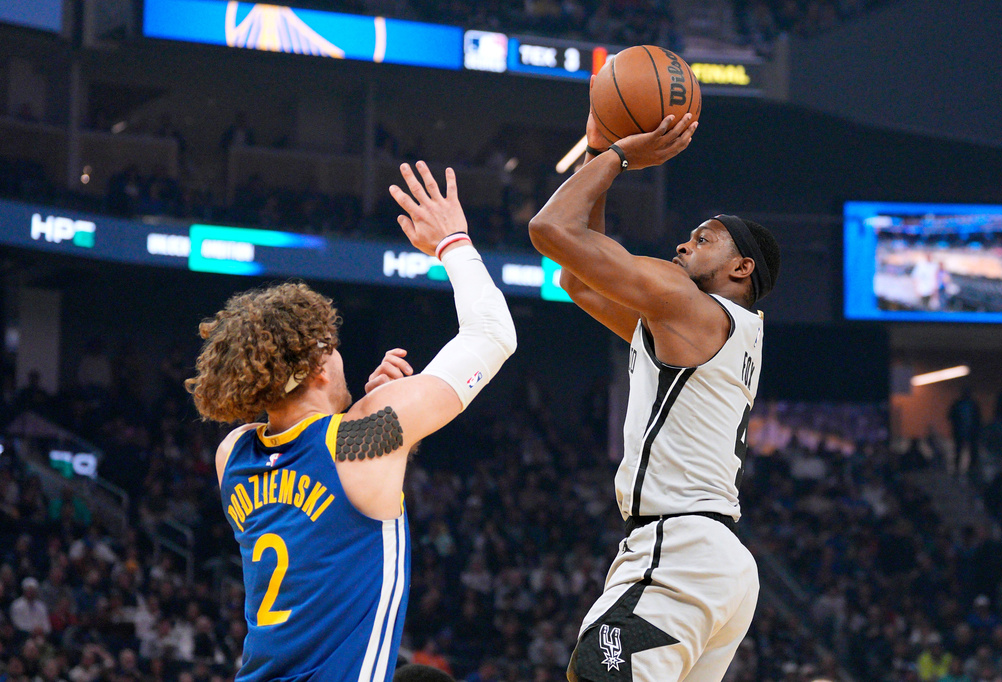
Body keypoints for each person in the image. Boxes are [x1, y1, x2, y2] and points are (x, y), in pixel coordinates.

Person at [185, 161, 516, 682]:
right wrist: (453, 242)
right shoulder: (361, 440)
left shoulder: (234, 454)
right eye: (333, 348)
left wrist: (370, 413)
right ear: (316, 368)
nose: (342, 356)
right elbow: (493, 335)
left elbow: (315, 466)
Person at [529, 99, 780, 682]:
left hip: (681, 549)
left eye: (704, 239)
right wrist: (598, 155)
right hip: (716, 562)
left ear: (740, 268)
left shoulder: (687, 305)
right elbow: (577, 281)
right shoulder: (706, 328)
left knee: (598, 673)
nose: (684, 245)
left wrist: (617, 155)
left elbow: (550, 231)